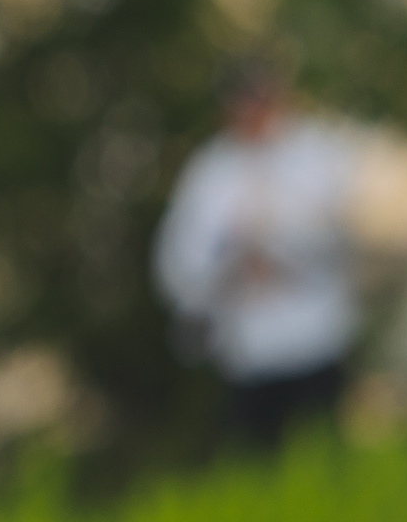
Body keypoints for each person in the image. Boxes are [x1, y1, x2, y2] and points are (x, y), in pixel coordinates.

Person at [152, 59, 360, 452]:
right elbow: (179, 258)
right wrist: (229, 263)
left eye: (262, 100)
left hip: (313, 337)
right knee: (255, 463)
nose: (253, 113)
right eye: (242, 103)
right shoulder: (210, 170)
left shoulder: (318, 155)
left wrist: (278, 244)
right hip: (249, 348)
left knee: (318, 461)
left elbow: (339, 235)